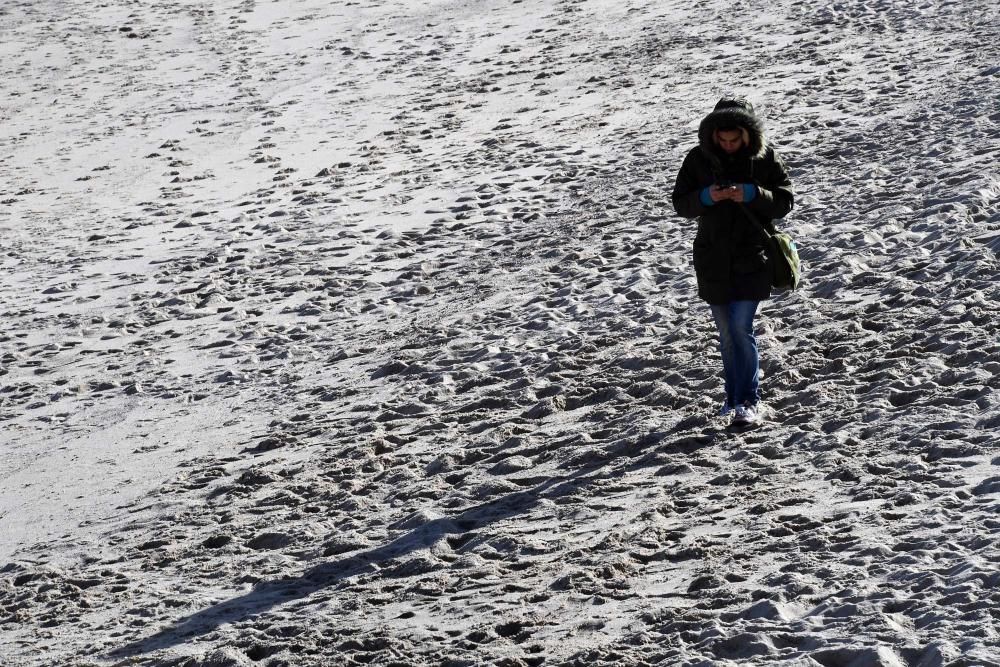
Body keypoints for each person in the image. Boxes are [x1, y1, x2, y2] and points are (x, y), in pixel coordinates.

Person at [671, 97, 794, 426]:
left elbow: (784, 200)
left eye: (734, 139)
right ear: (712, 134)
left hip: (753, 255)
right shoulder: (697, 159)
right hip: (712, 259)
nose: (727, 145)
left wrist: (752, 194)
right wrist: (708, 196)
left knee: (742, 328)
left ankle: (750, 400)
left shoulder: (764, 158)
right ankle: (732, 399)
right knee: (726, 334)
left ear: (747, 134)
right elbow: (680, 203)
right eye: (722, 140)